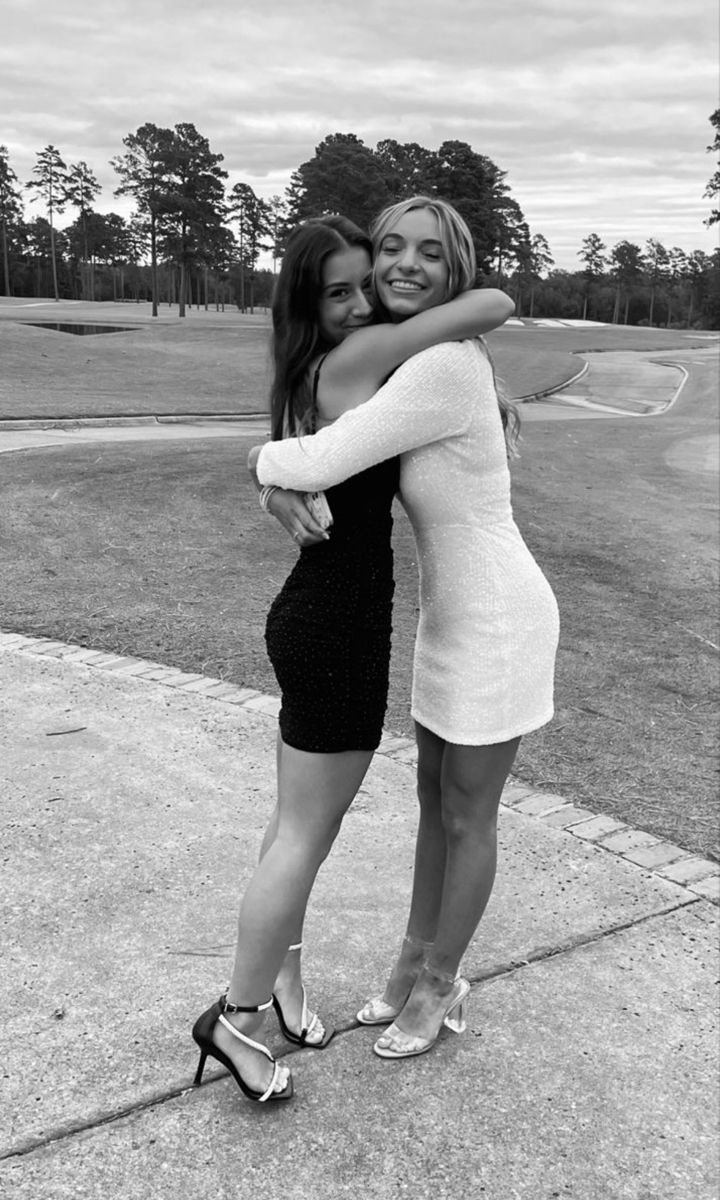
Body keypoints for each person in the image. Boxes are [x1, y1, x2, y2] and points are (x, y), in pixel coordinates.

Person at [192, 212, 515, 1102]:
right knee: (302, 833)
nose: (363, 299)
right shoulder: (364, 360)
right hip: (336, 628)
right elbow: (489, 300)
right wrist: (266, 468)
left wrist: (271, 476)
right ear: (308, 304)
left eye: (362, 282)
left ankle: (282, 981)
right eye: (340, 291)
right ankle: (238, 1015)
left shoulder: (320, 367)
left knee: (295, 826)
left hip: (317, 617)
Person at [252, 196, 560, 1061]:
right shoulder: (417, 357)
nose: (404, 266)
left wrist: (261, 468)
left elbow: (316, 457)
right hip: (450, 618)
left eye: (429, 252)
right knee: (434, 806)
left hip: (499, 617)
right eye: (391, 247)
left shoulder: (444, 364)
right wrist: (284, 481)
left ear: (453, 266)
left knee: (468, 815)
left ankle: (440, 983)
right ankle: (408, 968)